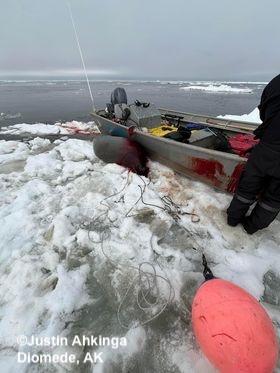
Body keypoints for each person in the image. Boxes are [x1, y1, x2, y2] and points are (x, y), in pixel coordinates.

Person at [227, 74, 280, 234]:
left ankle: (233, 219)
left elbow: (264, 108)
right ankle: (252, 227)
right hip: (271, 144)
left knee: (247, 187)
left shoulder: (277, 82)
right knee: (274, 198)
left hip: (269, 144)